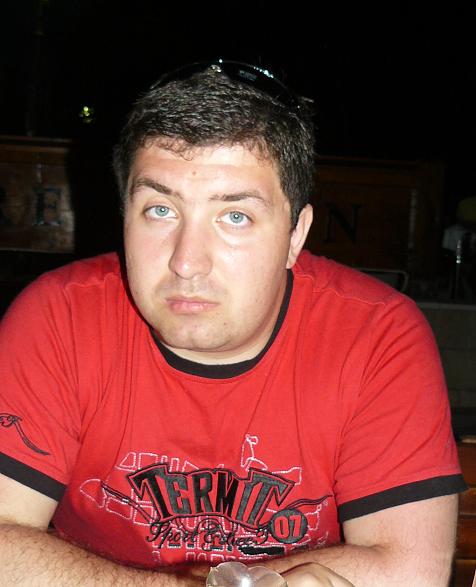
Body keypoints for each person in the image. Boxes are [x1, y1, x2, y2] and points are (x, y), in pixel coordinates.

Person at [0, 60, 466, 587]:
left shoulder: (377, 335)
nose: (187, 262)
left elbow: (410, 570)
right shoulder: (57, 317)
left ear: (295, 235)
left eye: (235, 217)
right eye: (160, 210)